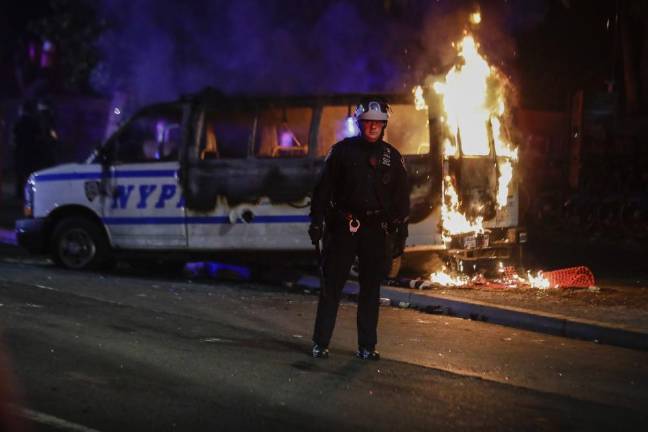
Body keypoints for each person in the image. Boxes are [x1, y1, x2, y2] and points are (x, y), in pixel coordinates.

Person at [308, 98, 410, 360]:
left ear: (384, 125)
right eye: (367, 122)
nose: (372, 127)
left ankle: (367, 346)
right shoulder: (341, 152)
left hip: (375, 231)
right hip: (344, 227)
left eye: (377, 123)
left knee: (370, 290)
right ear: (359, 123)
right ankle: (321, 343)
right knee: (332, 287)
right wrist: (317, 222)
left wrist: (400, 233)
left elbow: (401, 200)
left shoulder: (393, 158)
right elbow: (323, 190)